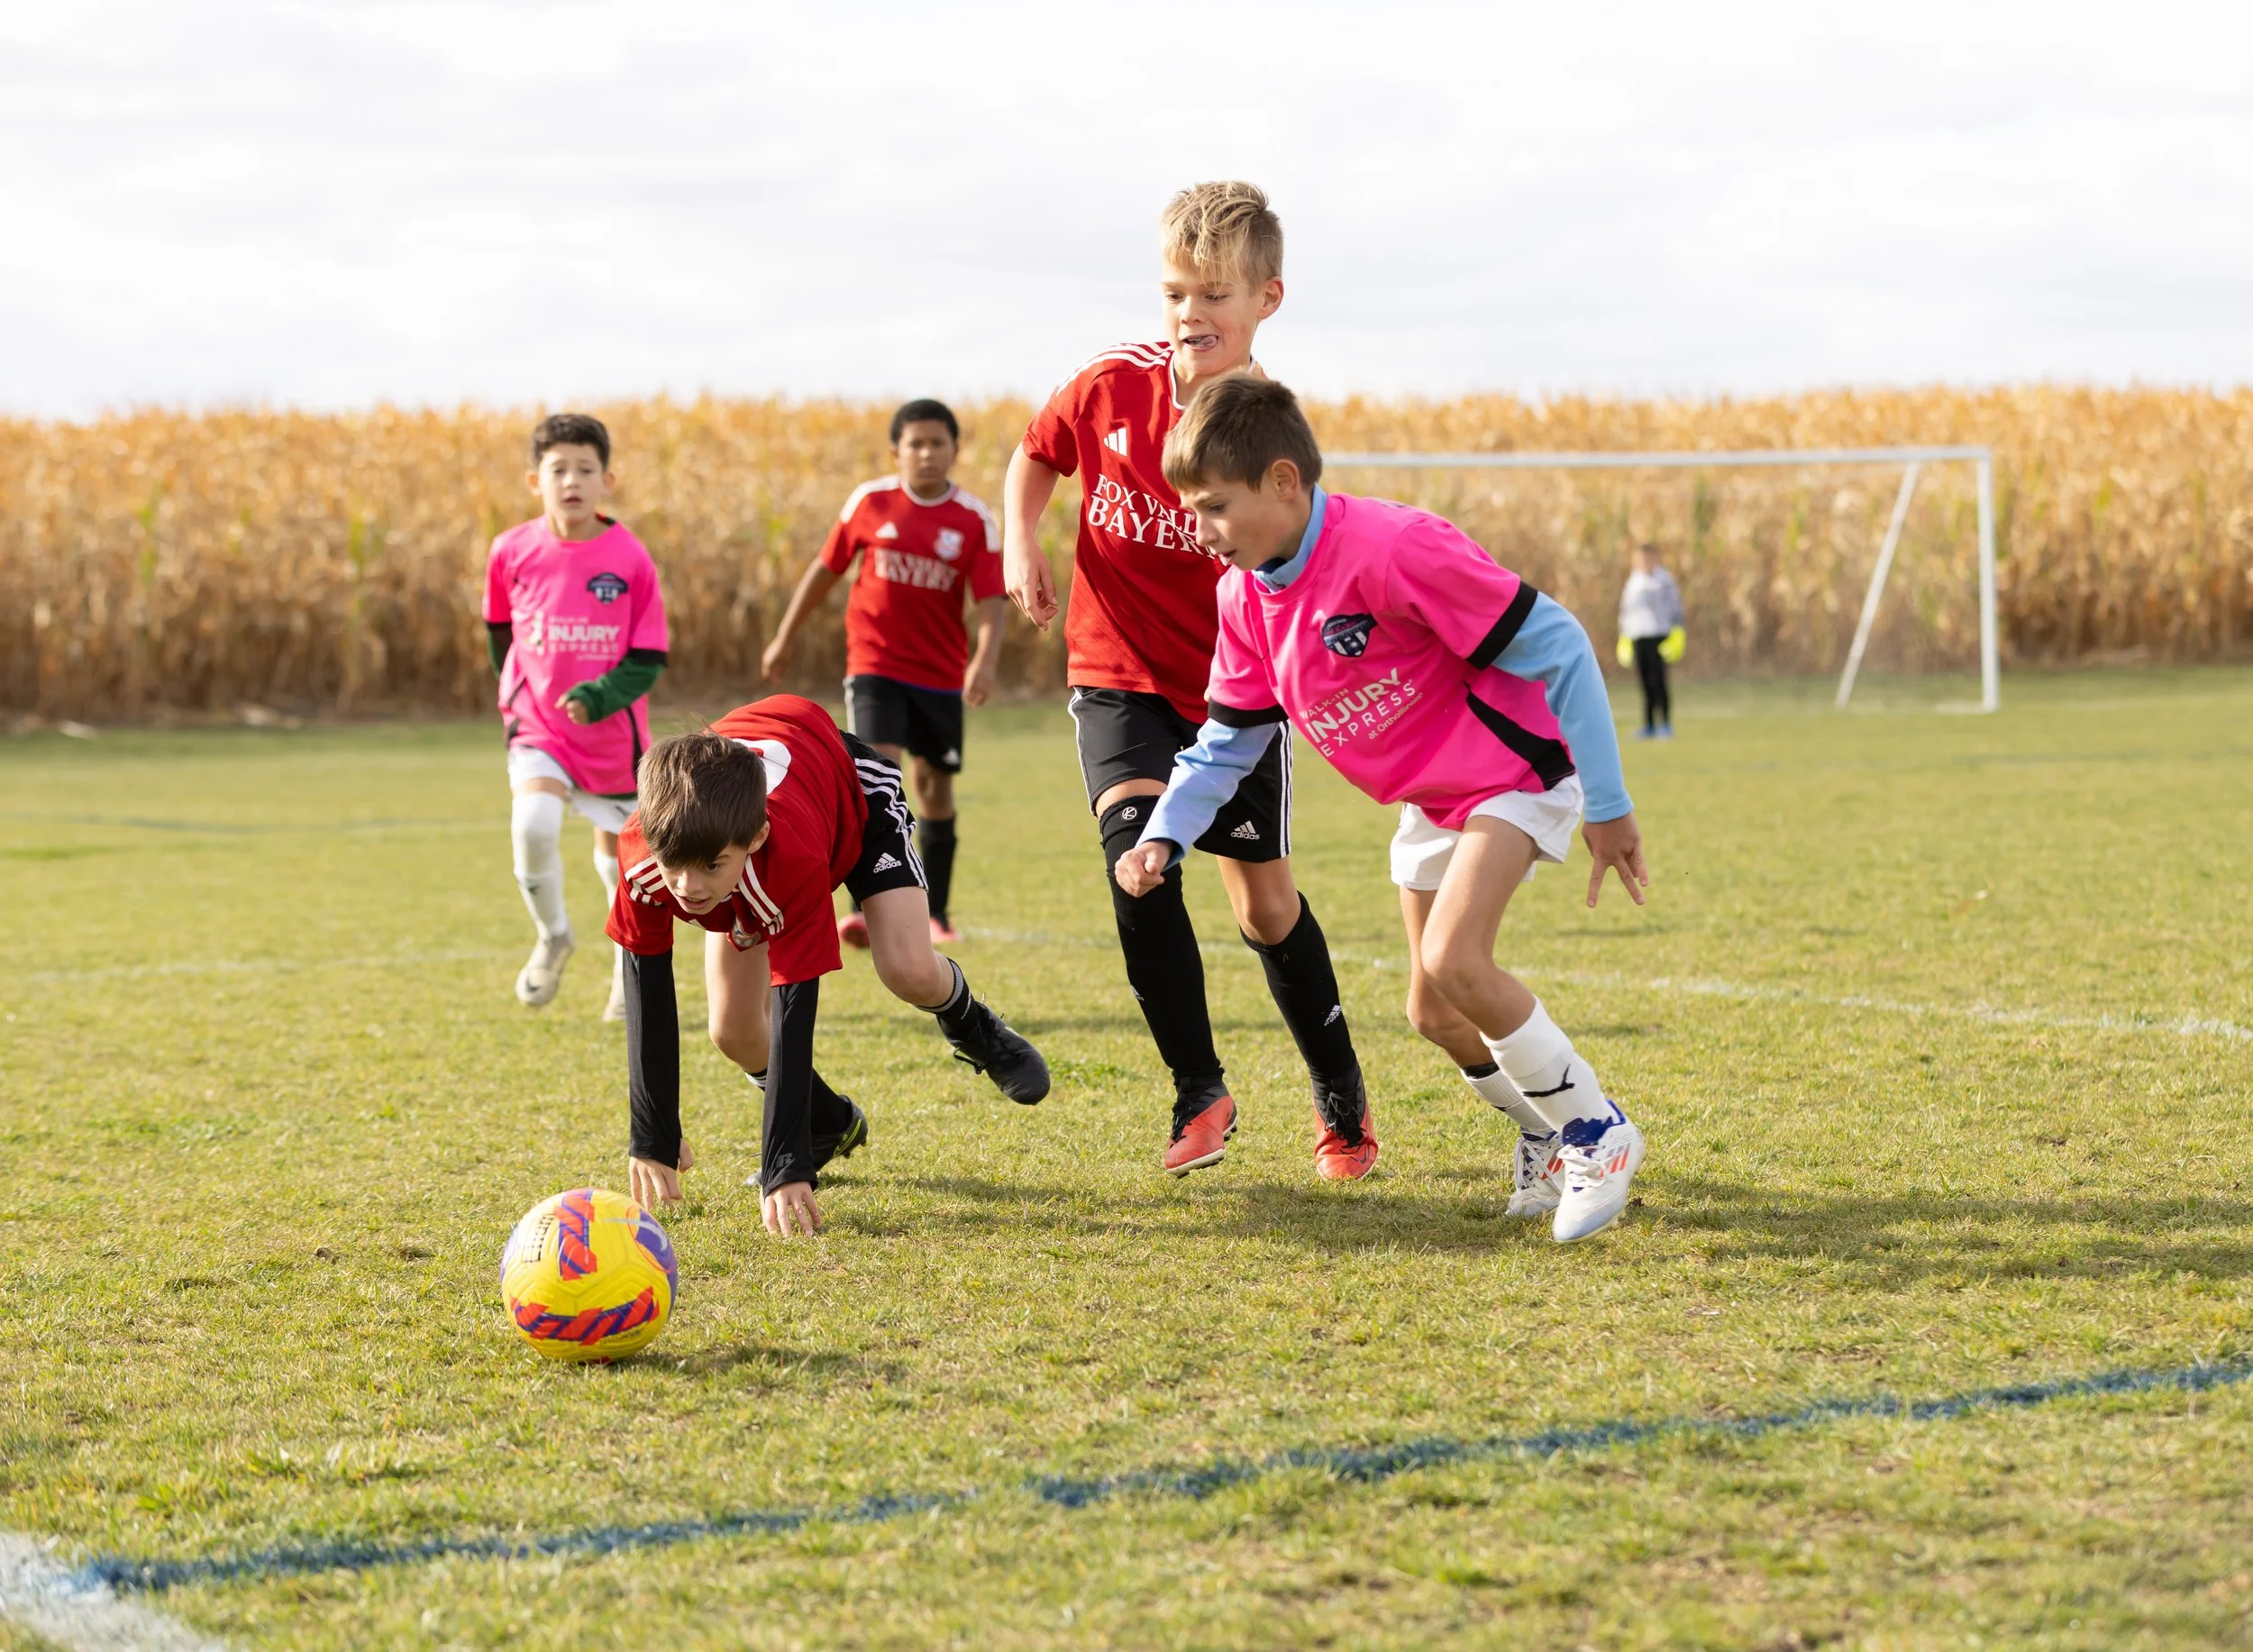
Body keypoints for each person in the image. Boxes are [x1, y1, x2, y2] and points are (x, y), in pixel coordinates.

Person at [1114, 377, 1653, 1242]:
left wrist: (1611, 804)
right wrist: (1164, 834)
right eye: (1192, 509)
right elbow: (1227, 743)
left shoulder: (1393, 547)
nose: (1200, 528)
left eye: (1214, 506)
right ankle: (1547, 1134)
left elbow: (1559, 641)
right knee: (1433, 1011)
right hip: (1433, 800)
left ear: (1283, 482)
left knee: (1456, 958)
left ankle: (1597, 1132)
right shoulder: (1243, 598)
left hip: (1517, 768)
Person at [1002, 181, 1374, 1182]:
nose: (1189, 314)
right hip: (1115, 670)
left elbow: (1304, 562)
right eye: (1175, 292)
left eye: (1214, 295)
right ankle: (1198, 1089)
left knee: (1265, 910)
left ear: (1267, 300)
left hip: (1231, 693)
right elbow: (1034, 456)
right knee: (1135, 856)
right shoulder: (1108, 385)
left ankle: (1340, 1096)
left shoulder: (1268, 432)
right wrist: (1020, 542)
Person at [608, 696, 1050, 1237]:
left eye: (710, 867)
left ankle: (973, 1026)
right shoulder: (648, 852)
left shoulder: (788, 859)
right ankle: (831, 1125)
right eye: (673, 865)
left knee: (907, 969)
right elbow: (647, 987)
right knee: (734, 1033)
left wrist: (785, 1165)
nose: (687, 887)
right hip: (750, 842)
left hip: (848, 790)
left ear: (754, 839)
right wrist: (653, 1133)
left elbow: (794, 1008)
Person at [762, 399, 1006, 947]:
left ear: (955, 450)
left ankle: (936, 914)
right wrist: (784, 635)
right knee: (876, 777)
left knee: (934, 789)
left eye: (937, 443)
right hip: (874, 666)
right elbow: (825, 569)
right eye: (915, 444)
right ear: (896, 451)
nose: (926, 453)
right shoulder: (869, 503)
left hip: (939, 677)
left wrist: (984, 661)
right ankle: (864, 911)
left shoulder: (973, 519)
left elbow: (992, 600)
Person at [483, 413, 668, 1020]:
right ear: (534, 480)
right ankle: (554, 934)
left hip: (612, 734)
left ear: (606, 479)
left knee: (623, 863)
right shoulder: (510, 550)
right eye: (558, 469)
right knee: (534, 823)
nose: (571, 481)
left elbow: (649, 658)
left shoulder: (630, 558)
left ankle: (625, 972)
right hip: (538, 725)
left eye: (585, 469)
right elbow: (500, 632)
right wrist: (519, 691)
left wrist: (598, 696)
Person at [1619, 542, 1683, 739]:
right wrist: (1624, 636)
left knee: (1659, 681)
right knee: (1644, 682)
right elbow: (1626, 610)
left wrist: (1677, 632)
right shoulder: (1633, 581)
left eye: (1647, 558)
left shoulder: (1664, 580)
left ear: (1655, 558)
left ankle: (1665, 723)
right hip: (1638, 636)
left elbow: (1676, 607)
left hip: (1658, 635)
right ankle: (1648, 725)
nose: (1644, 562)